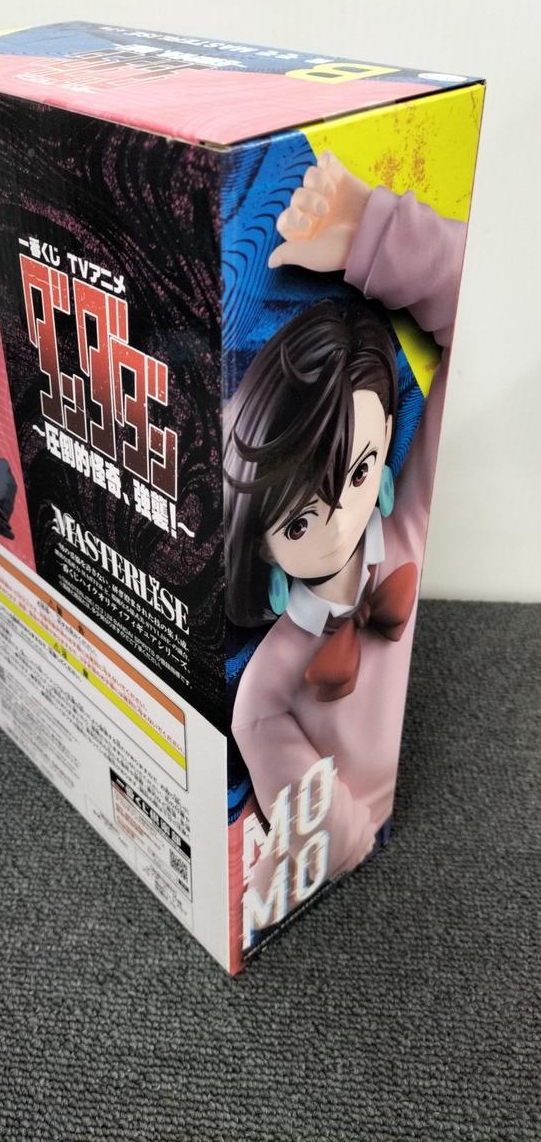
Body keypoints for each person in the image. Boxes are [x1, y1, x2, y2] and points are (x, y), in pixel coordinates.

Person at [225, 150, 468, 893]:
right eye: (298, 520)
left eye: (358, 473)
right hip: (365, 863)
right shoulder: (265, 688)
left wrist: (372, 233)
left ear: (387, 443)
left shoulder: (407, 524)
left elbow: (474, 305)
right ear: (258, 539)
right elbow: (331, 841)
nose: (334, 525)